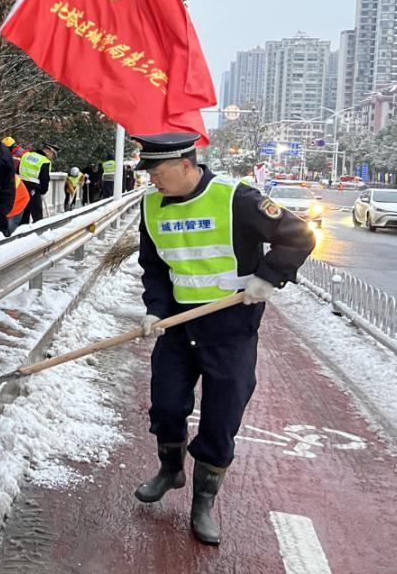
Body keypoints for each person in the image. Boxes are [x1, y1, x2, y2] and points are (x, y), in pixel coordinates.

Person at [131, 131, 314, 545]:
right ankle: (170, 468)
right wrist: (155, 309)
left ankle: (203, 501)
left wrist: (267, 277)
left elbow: (299, 235)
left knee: (221, 416)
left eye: (156, 171)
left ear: (184, 165)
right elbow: (154, 265)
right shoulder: (152, 205)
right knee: (165, 402)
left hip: (231, 327)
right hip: (178, 324)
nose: (151, 180)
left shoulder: (236, 198)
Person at [17, 142, 56, 225]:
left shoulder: (26, 155)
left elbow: (18, 170)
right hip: (34, 189)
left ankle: (22, 233)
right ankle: (38, 234)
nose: (52, 158)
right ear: (49, 151)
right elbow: (45, 178)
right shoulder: (45, 161)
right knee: (37, 215)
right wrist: (43, 191)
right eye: (53, 156)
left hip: (21, 186)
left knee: (24, 213)